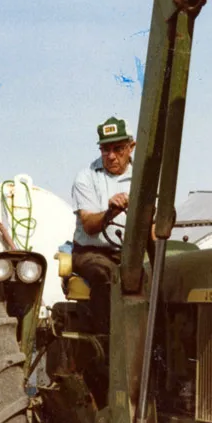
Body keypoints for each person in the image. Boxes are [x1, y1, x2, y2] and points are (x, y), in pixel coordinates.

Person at [70, 116, 135, 334]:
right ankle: (108, 341)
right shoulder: (86, 178)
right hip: (91, 252)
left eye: (118, 148)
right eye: (105, 150)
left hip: (129, 253)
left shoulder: (143, 177)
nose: (111, 156)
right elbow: (88, 224)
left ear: (131, 147)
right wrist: (110, 212)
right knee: (106, 274)